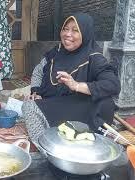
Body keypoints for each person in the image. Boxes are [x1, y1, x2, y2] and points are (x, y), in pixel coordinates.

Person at [21, 13, 120, 146]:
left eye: (75, 30)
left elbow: (112, 84)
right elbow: (39, 71)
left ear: (85, 33)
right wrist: (36, 91)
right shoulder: (56, 52)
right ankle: (48, 146)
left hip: (81, 108)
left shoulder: (94, 57)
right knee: (29, 104)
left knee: (29, 108)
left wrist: (76, 85)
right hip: (57, 102)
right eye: (65, 29)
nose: (68, 34)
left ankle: (50, 147)